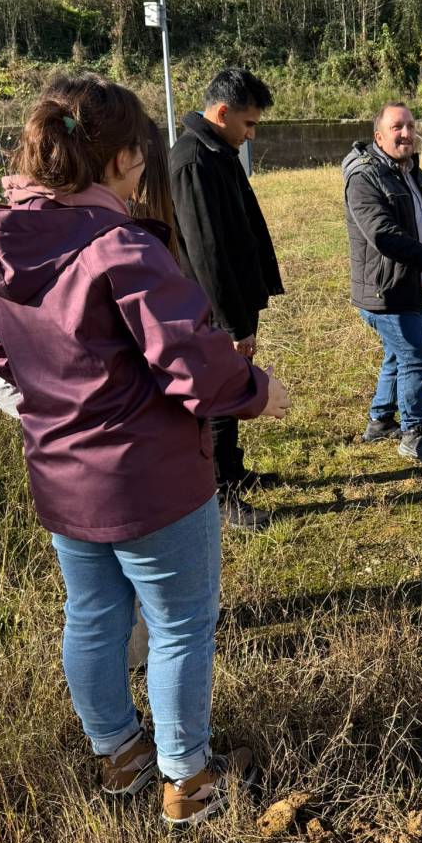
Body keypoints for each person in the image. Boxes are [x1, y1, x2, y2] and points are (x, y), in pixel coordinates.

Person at [0, 73, 290, 827]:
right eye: (140, 155)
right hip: (153, 485)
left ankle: (117, 752)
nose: (146, 168)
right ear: (119, 160)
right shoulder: (120, 247)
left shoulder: (0, 247)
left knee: (91, 614)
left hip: (62, 481)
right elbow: (192, 363)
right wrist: (256, 389)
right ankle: (189, 780)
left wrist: (61, 413)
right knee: (180, 625)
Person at [169, 68, 284, 532]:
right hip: (212, 309)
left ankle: (233, 470)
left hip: (230, 303)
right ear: (221, 113)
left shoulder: (218, 151)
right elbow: (206, 253)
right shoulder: (194, 161)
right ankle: (219, 494)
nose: (251, 134)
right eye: (248, 123)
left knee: (232, 384)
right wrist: (233, 324)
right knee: (218, 394)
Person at [342, 102, 422, 462]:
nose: (406, 133)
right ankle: (413, 434)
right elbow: (384, 235)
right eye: (397, 127)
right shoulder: (364, 178)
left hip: (410, 282)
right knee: (414, 355)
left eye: (410, 126)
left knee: (397, 352)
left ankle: (380, 421)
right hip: (385, 289)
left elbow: (417, 223)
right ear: (379, 137)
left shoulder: (412, 171)